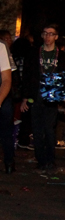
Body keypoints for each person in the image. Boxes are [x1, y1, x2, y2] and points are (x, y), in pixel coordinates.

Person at [20, 24, 65, 171]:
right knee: (36, 129)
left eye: (51, 34)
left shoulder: (61, 56)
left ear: (56, 37)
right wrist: (25, 97)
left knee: (49, 128)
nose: (47, 37)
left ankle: (50, 159)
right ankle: (40, 160)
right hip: (36, 95)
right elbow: (27, 76)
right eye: (45, 33)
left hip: (52, 95)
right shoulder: (34, 53)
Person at [0, 30, 14, 173]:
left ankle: (9, 162)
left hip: (2, 96)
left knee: (5, 131)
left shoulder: (1, 47)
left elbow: (6, 80)